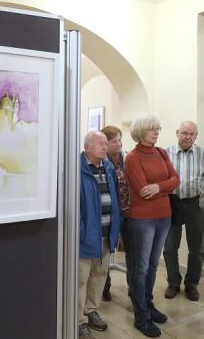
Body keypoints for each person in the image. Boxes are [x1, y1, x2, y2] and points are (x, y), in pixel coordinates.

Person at [124, 115, 180, 338]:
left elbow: (176, 179)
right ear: (140, 131)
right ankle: (141, 316)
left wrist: (158, 187)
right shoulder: (133, 158)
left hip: (164, 216)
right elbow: (141, 190)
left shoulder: (161, 153)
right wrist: (163, 187)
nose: (157, 132)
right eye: (152, 129)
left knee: (153, 266)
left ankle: (148, 305)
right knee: (141, 268)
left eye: (158, 128)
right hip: (142, 219)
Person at [78, 131, 122, 339]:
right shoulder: (77, 168)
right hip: (86, 237)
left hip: (106, 234)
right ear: (87, 147)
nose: (105, 147)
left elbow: (115, 200)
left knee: (99, 276)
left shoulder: (108, 167)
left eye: (107, 143)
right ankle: (78, 321)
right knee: (80, 280)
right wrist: (82, 232)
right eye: (101, 144)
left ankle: (91, 311)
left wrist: (116, 228)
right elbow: (73, 207)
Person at [163, 121, 204, 302]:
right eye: (184, 133)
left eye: (192, 134)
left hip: (195, 204)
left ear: (196, 136)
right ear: (177, 133)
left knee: (197, 248)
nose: (188, 137)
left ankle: (192, 284)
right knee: (169, 247)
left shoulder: (203, 154)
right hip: (172, 203)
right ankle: (173, 282)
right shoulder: (166, 153)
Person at [100, 125, 130, 302]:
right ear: (106, 143)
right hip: (110, 213)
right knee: (104, 253)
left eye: (120, 140)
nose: (118, 144)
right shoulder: (101, 161)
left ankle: (133, 288)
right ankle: (105, 286)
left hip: (129, 211)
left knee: (131, 252)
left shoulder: (127, 158)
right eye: (114, 141)